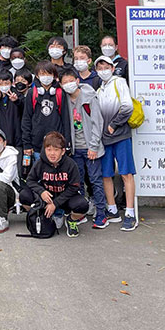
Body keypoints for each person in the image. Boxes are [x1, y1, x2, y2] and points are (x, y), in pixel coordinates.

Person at [61, 67, 109, 229]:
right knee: (77, 182)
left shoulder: (89, 96)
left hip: (91, 148)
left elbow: (98, 123)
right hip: (75, 150)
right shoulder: (65, 100)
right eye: (64, 82)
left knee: (95, 181)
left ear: (77, 81)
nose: (68, 85)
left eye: (70, 81)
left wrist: (94, 146)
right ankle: (80, 213)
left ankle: (102, 213)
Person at [20, 131, 89, 238]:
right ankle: (40, 214)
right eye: (49, 149)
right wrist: (41, 191)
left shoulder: (71, 164)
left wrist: (55, 204)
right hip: (46, 197)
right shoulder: (40, 162)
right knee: (24, 195)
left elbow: (74, 187)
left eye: (56, 150)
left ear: (62, 151)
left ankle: (71, 220)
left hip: (64, 197)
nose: (52, 153)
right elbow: (30, 180)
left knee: (83, 205)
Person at [95, 55, 137, 231]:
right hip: (104, 139)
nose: (103, 70)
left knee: (126, 173)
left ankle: (129, 212)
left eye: (106, 67)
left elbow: (127, 106)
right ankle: (112, 210)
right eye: (100, 68)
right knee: (106, 174)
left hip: (120, 136)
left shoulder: (119, 82)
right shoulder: (98, 90)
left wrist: (114, 124)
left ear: (113, 68)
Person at [21, 61, 70, 162]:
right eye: (42, 74)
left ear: (54, 75)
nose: (46, 77)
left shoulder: (60, 93)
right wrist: (27, 144)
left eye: (49, 74)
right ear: (37, 76)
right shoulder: (32, 93)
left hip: (57, 144)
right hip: (37, 144)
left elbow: (65, 120)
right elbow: (26, 119)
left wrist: (67, 143)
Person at [0, 68, 23, 151]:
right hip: (0, 138)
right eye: (0, 83)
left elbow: (24, 109)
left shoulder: (17, 94)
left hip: (17, 138)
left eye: (6, 83)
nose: (4, 86)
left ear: (12, 83)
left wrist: (17, 101)